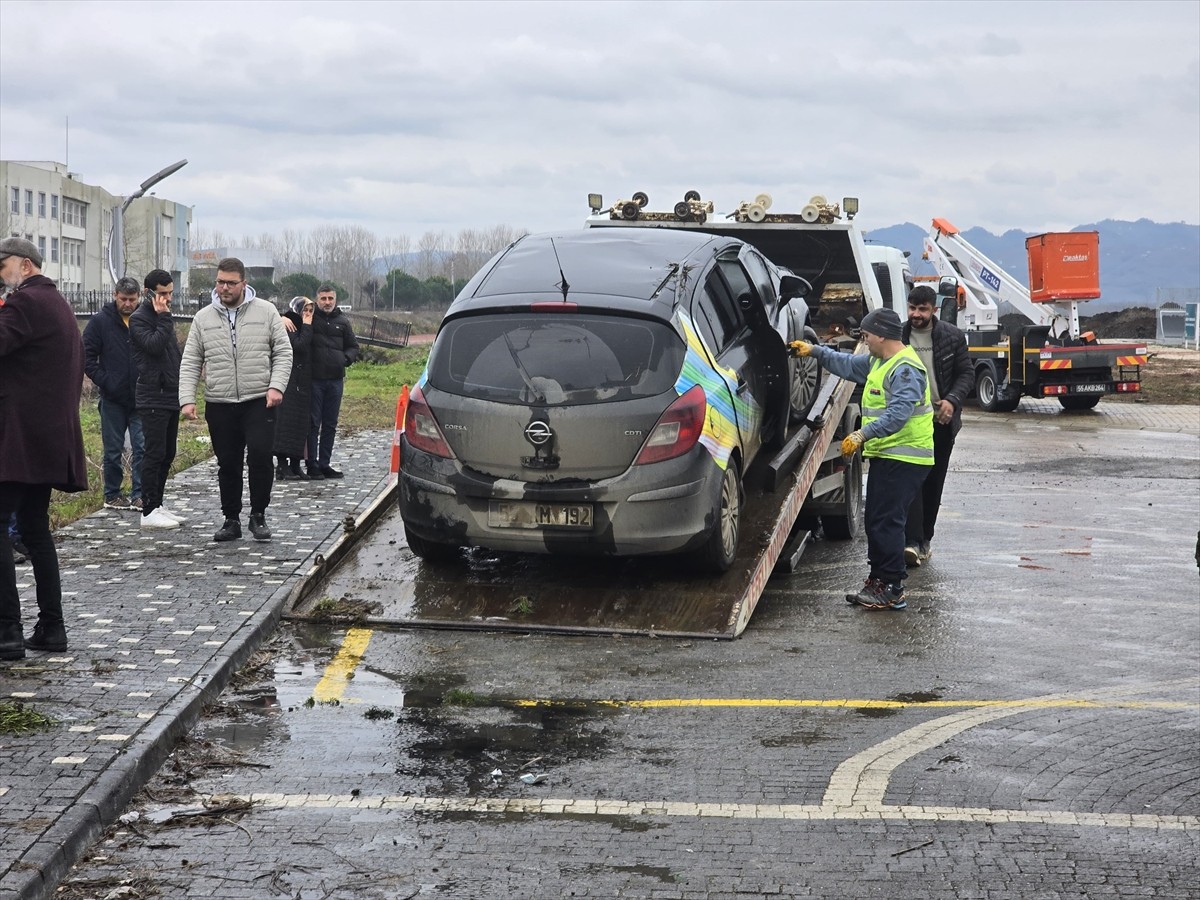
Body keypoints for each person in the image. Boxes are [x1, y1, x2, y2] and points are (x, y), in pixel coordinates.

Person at [790, 307, 933, 611]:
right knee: (876, 520)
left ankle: (892, 587)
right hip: (888, 456)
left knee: (887, 522)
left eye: (867, 335)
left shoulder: (904, 368)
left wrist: (861, 434)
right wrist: (815, 351)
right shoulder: (879, 362)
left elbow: (898, 415)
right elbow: (847, 364)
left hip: (906, 458)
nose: (865, 341)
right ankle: (878, 581)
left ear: (882, 334)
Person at [0, 237, 88, 659]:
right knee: (34, 527)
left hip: (19, 441)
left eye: (3, 267)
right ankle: (52, 628)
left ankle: (7, 633)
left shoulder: (26, 303)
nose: (2, 275)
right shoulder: (57, 304)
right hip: (48, 438)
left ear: (26, 265)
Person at [179, 258, 292, 542]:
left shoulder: (266, 312)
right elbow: (191, 359)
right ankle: (231, 519)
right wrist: (187, 399)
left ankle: (258, 515)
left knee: (260, 456)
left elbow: (283, 352)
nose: (224, 288)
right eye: (220, 282)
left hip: (259, 400)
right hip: (220, 401)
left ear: (244, 283)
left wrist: (276, 386)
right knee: (227, 463)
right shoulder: (203, 318)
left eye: (230, 282)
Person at [901, 285, 973, 567]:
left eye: (922, 309)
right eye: (912, 308)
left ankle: (924, 539)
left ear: (934, 309)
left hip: (940, 423)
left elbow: (966, 373)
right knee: (911, 483)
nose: (916, 315)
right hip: (908, 423)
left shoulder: (952, 337)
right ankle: (911, 541)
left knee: (933, 483)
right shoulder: (898, 334)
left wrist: (952, 401)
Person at [129, 269, 185, 530]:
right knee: (154, 453)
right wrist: (163, 318)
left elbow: (172, 355)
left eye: (170, 293)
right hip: (152, 395)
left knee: (167, 453)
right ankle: (148, 509)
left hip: (170, 393)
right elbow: (153, 346)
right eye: (163, 294)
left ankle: (158, 503)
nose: (168, 298)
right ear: (148, 292)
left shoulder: (163, 317)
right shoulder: (140, 318)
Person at [83, 276, 144, 511]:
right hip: (112, 398)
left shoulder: (144, 320)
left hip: (140, 396)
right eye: (123, 299)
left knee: (142, 447)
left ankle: (139, 494)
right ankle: (112, 494)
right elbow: (86, 356)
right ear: (115, 296)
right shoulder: (100, 322)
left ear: (139, 297)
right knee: (112, 449)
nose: (128, 304)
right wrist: (106, 381)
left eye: (132, 299)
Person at [307, 284, 360, 479]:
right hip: (315, 380)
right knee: (313, 424)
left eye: (330, 298)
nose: (327, 302)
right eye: (324, 299)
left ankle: (324, 463)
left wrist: (345, 359)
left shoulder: (343, 322)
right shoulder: (310, 319)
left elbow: (353, 346)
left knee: (330, 424)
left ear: (335, 300)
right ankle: (311, 463)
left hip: (335, 380)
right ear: (317, 299)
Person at [274, 297, 314, 480]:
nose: (307, 313)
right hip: (290, 382)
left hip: (303, 382)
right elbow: (299, 346)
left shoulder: (308, 323)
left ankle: (296, 464)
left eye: (310, 310)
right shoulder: (288, 323)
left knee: (300, 425)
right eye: (304, 309)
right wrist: (306, 325)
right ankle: (282, 466)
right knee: (286, 424)